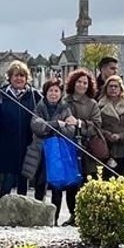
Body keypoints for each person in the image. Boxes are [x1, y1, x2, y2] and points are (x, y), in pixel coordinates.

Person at [23, 78, 78, 223]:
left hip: (58, 153)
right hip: (41, 152)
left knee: (57, 187)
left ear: (61, 93)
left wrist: (53, 128)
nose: (53, 94)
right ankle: (38, 217)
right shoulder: (39, 107)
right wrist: (55, 124)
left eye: (56, 91)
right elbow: (36, 125)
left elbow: (70, 130)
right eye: (50, 91)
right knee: (40, 185)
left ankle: (55, 218)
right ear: (45, 92)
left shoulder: (66, 108)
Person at [0, 61, 42, 197]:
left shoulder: (35, 96)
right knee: (7, 182)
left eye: (22, 76)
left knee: (23, 184)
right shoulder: (2, 95)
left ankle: (21, 216)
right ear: (10, 77)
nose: (19, 79)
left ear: (26, 78)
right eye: (15, 76)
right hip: (7, 147)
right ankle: (1, 215)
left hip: (27, 146)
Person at [65, 68, 102, 183]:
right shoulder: (64, 101)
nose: (82, 85)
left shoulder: (92, 104)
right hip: (68, 148)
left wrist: (79, 123)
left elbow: (97, 125)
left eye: (85, 83)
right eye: (79, 82)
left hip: (87, 150)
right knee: (70, 188)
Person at [95, 74, 124, 177]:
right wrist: (108, 135)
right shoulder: (99, 106)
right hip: (105, 148)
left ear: (121, 89)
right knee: (105, 178)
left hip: (123, 149)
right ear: (106, 88)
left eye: (116, 86)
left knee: (121, 177)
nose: (113, 89)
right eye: (110, 86)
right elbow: (96, 126)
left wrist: (121, 136)